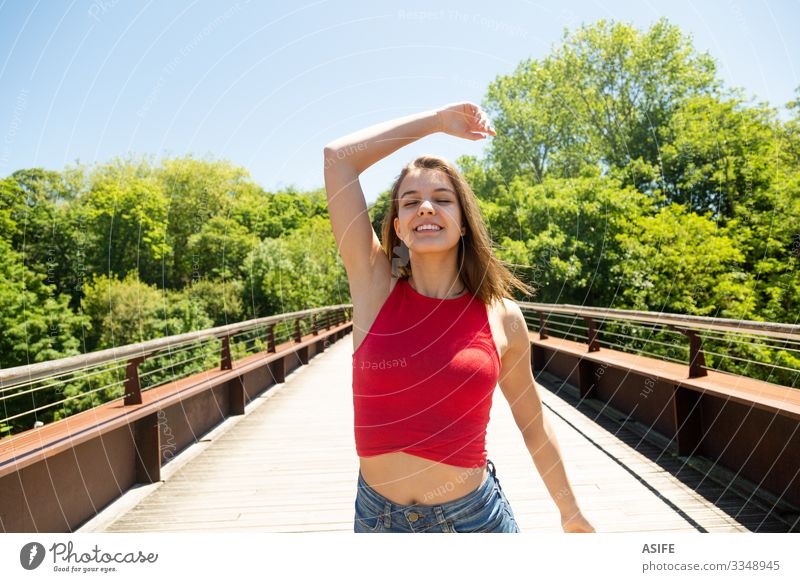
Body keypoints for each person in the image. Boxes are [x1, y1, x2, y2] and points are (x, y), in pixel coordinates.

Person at [323, 102, 595, 533]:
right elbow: (337, 159)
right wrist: (435, 123)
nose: (425, 208)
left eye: (442, 199)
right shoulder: (375, 286)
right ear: (396, 226)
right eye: (410, 202)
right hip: (377, 521)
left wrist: (571, 511)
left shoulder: (501, 315)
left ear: (464, 223)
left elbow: (534, 423)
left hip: (473, 522)